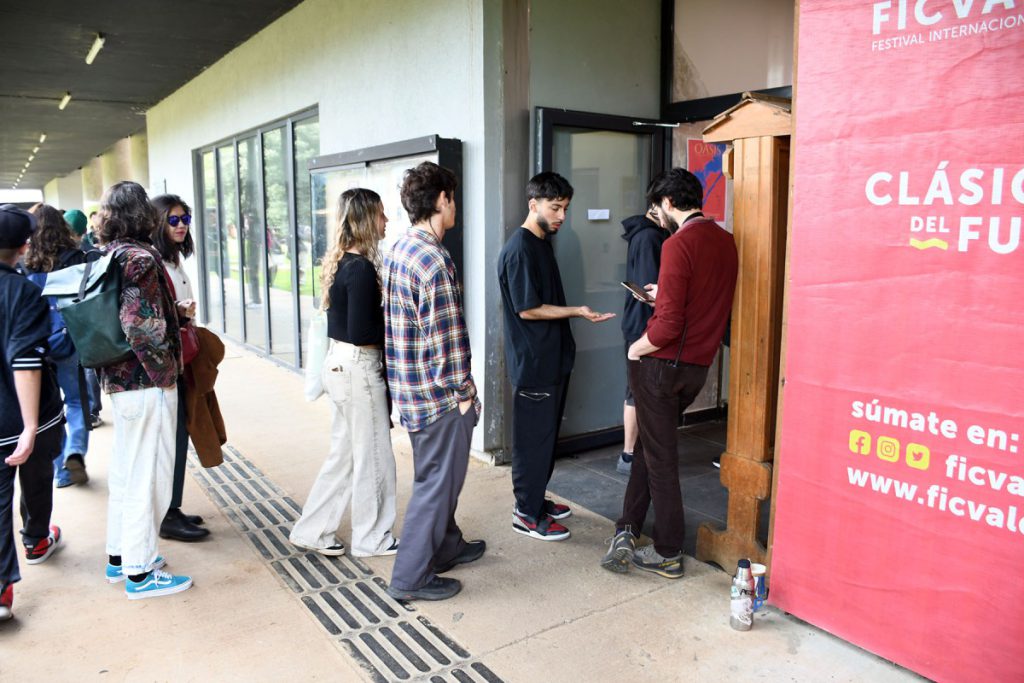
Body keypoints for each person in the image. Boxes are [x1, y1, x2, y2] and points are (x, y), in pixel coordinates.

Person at [601, 168, 737, 579]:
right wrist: (663, 296)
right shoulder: (724, 240)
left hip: (663, 365)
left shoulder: (678, 243)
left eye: (657, 206)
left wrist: (635, 348)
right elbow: (702, 300)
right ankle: (628, 525)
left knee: (659, 459)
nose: (656, 214)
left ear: (668, 202)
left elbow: (667, 327)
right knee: (649, 447)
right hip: (696, 366)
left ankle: (668, 551)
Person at [383, 162, 484, 602]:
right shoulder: (433, 259)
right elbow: (446, 339)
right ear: (442, 199)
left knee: (436, 479)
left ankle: (446, 546)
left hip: (411, 390)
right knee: (435, 486)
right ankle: (410, 578)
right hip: (438, 397)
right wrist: (465, 392)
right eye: (453, 198)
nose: (455, 205)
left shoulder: (399, 247)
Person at [496, 172, 615, 542]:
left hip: (551, 360)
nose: (562, 215)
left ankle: (534, 499)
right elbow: (528, 308)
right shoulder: (520, 248)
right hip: (534, 364)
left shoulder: (541, 242)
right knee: (532, 443)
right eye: (555, 207)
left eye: (565, 208)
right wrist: (577, 311)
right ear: (533, 204)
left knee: (545, 440)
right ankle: (525, 513)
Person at [289, 188, 399, 558]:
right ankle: (372, 538)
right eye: (381, 214)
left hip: (339, 365)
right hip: (358, 369)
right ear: (367, 219)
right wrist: (395, 322)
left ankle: (312, 530)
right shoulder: (362, 269)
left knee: (345, 456)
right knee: (374, 458)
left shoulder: (342, 263)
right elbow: (363, 332)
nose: (386, 220)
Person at [97, 181, 192, 599]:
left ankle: (120, 557)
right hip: (146, 381)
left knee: (126, 472)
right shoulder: (140, 258)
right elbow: (139, 325)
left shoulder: (109, 255)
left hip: (119, 380)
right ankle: (140, 571)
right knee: (147, 475)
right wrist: (165, 374)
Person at [0, 205, 65, 621]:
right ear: (25, 246)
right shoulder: (23, 292)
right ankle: (37, 539)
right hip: (28, 413)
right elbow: (25, 361)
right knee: (38, 475)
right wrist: (28, 426)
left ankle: (1, 589)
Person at [150, 194, 209, 543]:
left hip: (181, 361)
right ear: (158, 222)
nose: (182, 225)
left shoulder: (173, 260)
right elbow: (151, 317)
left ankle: (171, 506)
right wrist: (180, 313)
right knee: (170, 440)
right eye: (173, 220)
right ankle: (167, 513)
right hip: (166, 367)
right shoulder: (155, 262)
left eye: (185, 218)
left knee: (179, 437)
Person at [22, 204, 91, 487]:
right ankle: (75, 451)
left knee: (50, 410)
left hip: (39, 344)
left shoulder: (27, 263)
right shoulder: (76, 258)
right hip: (70, 340)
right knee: (75, 401)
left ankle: (61, 472)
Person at [618, 206, 668, 475]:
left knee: (635, 389)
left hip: (637, 323)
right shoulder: (649, 236)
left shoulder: (643, 233)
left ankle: (630, 454)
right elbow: (649, 290)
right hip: (643, 324)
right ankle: (629, 456)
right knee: (637, 391)